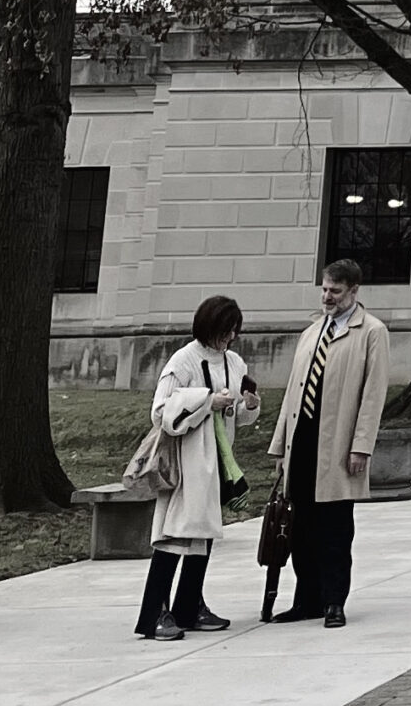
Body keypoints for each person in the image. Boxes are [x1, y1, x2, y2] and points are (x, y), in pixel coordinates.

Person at [267, 258, 389, 628]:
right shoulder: (312, 332)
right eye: (324, 289)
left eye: (335, 291)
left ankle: (334, 600)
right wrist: (279, 447)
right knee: (300, 528)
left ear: (354, 291)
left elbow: (373, 394)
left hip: (337, 445)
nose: (327, 297)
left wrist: (361, 446)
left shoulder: (371, 332)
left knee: (334, 529)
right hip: (303, 442)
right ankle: (306, 600)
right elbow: (292, 392)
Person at [135, 294, 262, 639]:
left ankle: (189, 606)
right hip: (186, 461)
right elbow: (160, 412)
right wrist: (207, 401)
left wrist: (248, 405)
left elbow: (241, 415)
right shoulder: (184, 360)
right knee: (174, 533)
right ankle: (154, 613)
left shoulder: (234, 362)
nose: (230, 338)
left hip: (218, 460)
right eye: (225, 331)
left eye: (234, 331)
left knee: (202, 534)